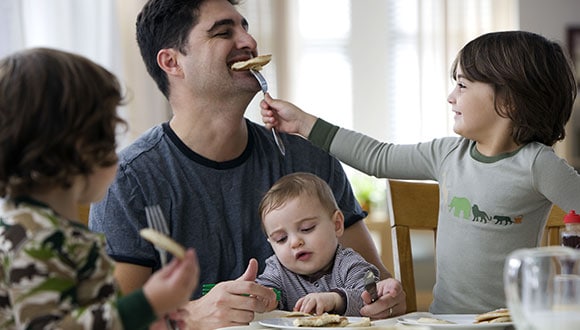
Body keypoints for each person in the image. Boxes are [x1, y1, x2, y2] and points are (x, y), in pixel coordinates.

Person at [88, 0, 405, 328]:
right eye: (224, 32)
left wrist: (386, 300)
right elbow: (112, 322)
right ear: (172, 62)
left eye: (245, 28)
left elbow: (378, 294)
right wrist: (191, 317)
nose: (249, 42)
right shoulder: (128, 180)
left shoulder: (310, 160)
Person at [261, 30, 580, 314]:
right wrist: (302, 123)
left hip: (510, 322)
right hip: (443, 320)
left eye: (462, 85)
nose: (451, 96)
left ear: (509, 101)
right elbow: (378, 157)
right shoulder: (447, 154)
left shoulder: (538, 164)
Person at [0, 48, 200, 330]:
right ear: (81, 147)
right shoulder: (36, 239)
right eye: (109, 134)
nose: (116, 152)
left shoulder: (49, 230)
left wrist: (150, 315)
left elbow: (91, 310)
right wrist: (146, 303)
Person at [256, 172, 379, 316]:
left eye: (306, 228)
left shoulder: (349, 263)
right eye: (281, 239)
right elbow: (267, 289)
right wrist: (264, 297)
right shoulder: (277, 271)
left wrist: (336, 300)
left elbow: (372, 295)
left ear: (337, 224)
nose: (295, 242)